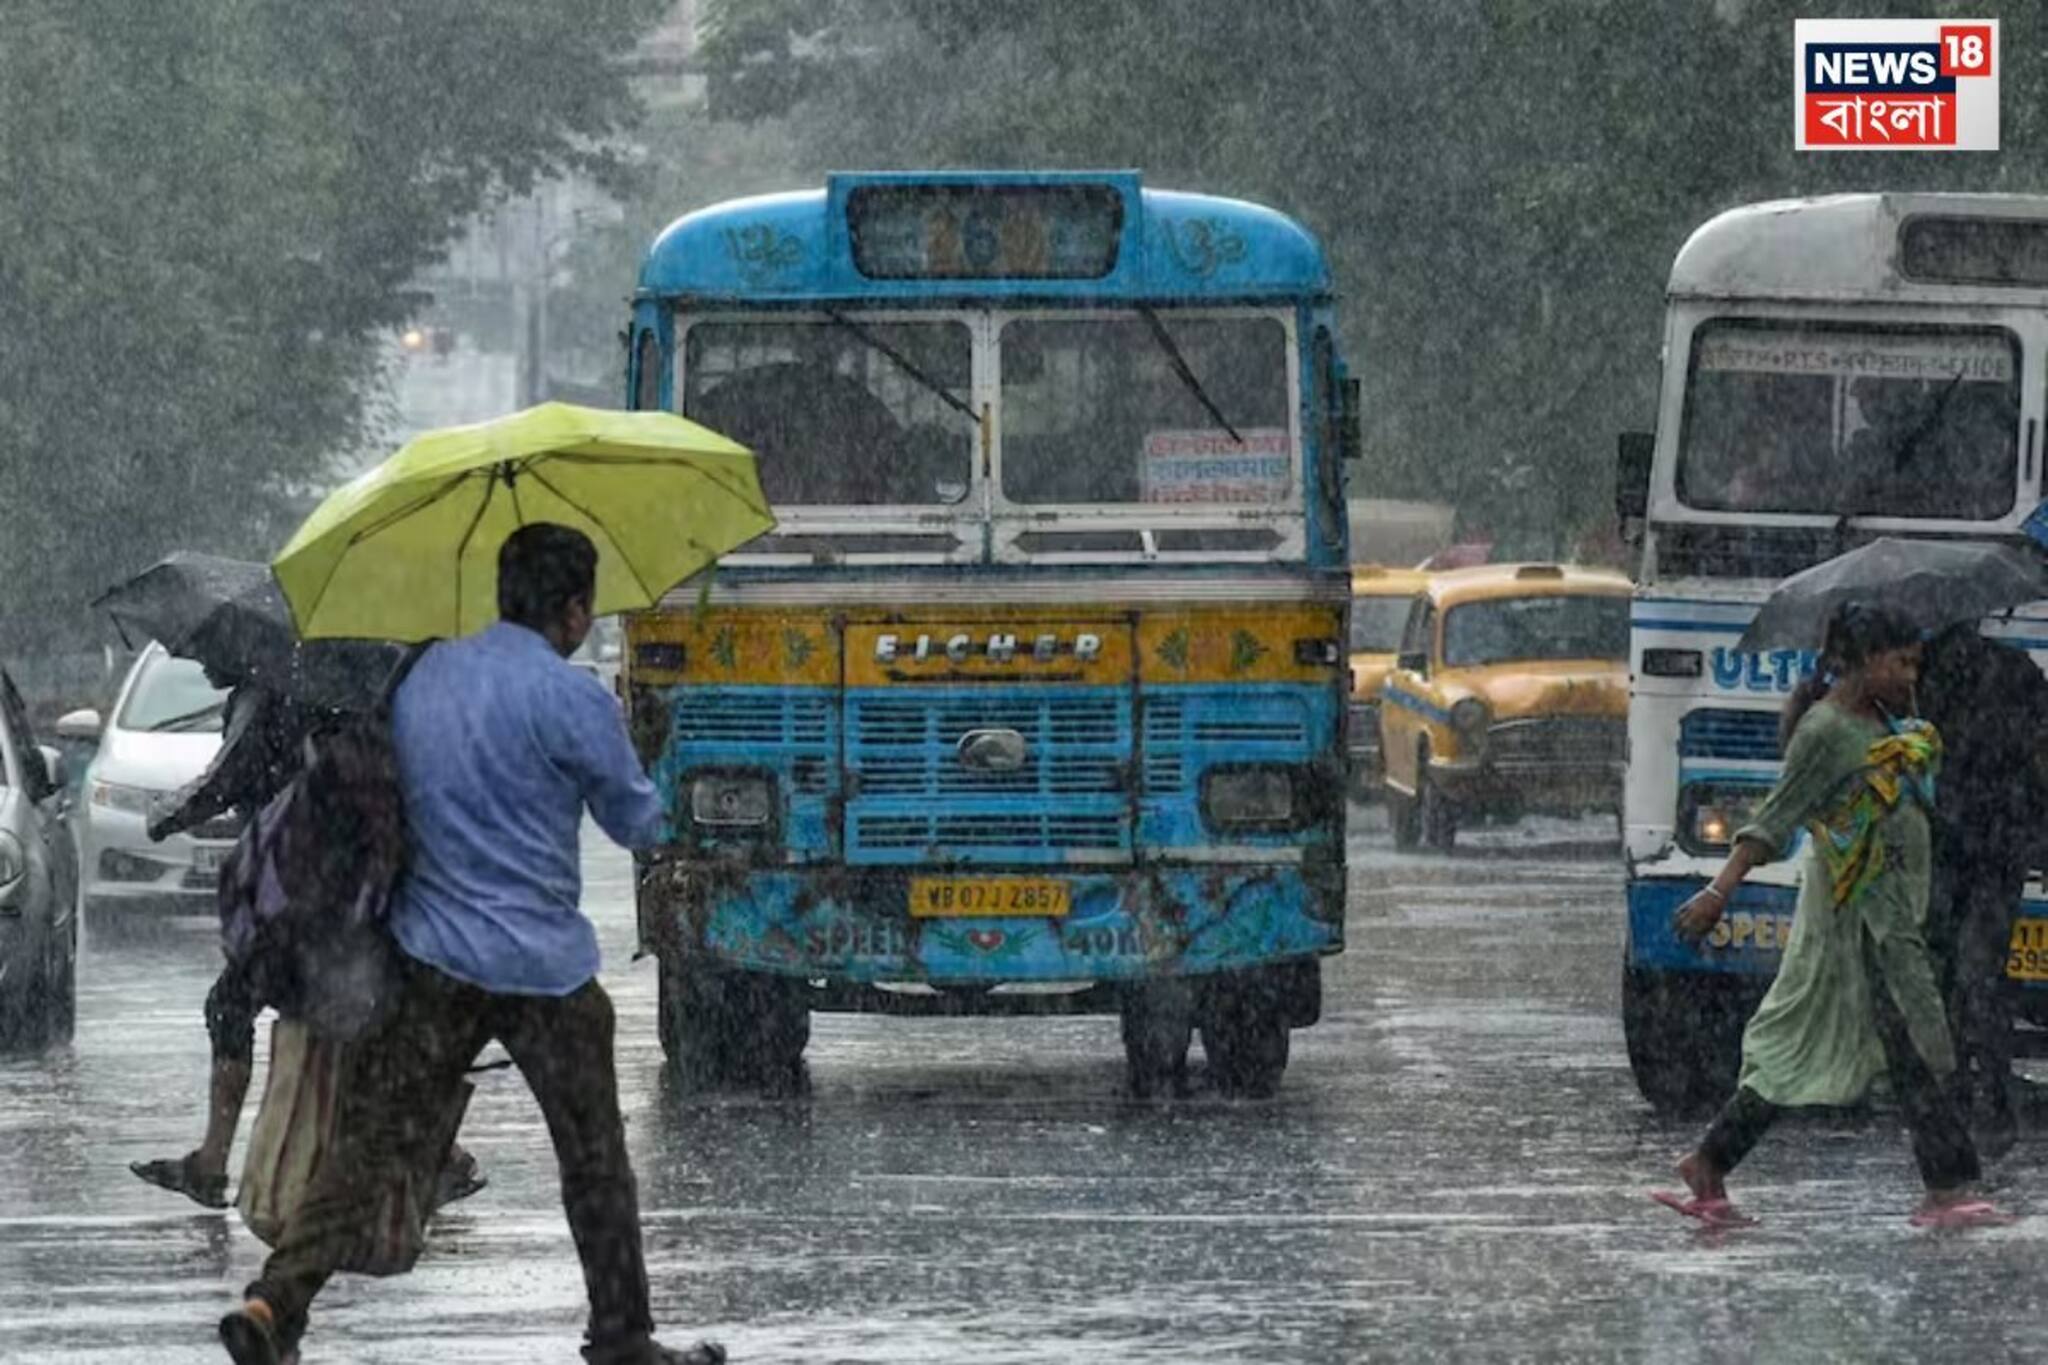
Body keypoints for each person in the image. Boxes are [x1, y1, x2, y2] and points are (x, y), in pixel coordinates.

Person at [217, 524, 724, 1365]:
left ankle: (276, 1302)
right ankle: (623, 1336)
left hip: (431, 962)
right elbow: (639, 821)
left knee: (368, 1146)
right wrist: (646, 749)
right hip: (547, 972)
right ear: (571, 610)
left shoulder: (422, 677)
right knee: (594, 1162)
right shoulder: (574, 698)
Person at [1658, 602, 2007, 1229]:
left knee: (1857, 1041)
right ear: (1865, 661)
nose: (1909, 674)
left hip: (1892, 912)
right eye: (1900, 662)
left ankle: (1710, 1163)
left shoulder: (1883, 718)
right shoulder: (1823, 731)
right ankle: (1948, 1187)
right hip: (1857, 919)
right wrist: (1717, 894)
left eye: (1913, 664)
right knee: (1906, 1039)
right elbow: (1774, 817)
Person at [129, 673, 484, 1212]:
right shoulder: (362, 693)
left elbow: (224, 780)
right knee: (366, 1015)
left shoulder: (271, 694)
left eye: (207, 655)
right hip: (356, 887)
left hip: (298, 894)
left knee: (235, 1007)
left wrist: (166, 819)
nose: (199, 667)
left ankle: (213, 1162)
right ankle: (443, 1154)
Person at [1916, 621, 2048, 1156]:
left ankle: (1953, 1089)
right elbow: (2042, 754)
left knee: (1943, 967)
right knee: (1981, 970)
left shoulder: (1917, 672)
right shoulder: (2016, 669)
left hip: (1946, 838)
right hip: (2000, 840)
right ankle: (1987, 1090)